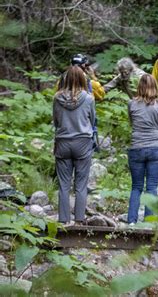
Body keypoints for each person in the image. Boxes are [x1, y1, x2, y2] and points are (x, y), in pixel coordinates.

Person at [127, 74, 158, 224]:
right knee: (152, 187)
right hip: (156, 150)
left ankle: (131, 221)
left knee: (136, 187)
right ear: (156, 87)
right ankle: (148, 223)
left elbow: (132, 124)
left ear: (139, 87)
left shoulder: (131, 104)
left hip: (137, 148)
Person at [53, 65, 96, 225]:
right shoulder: (89, 98)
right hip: (83, 142)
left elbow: (56, 122)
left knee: (64, 185)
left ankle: (63, 220)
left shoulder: (57, 98)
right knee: (81, 184)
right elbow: (92, 121)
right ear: (82, 79)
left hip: (63, 142)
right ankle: (79, 219)